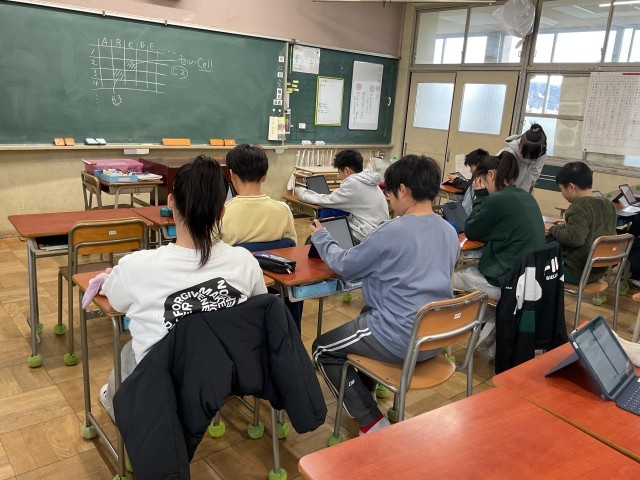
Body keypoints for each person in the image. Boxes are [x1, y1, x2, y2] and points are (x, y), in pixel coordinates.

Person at [98, 155, 268, 420]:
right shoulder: (245, 261)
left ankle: (117, 407)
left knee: (129, 352)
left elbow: (116, 301)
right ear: (222, 212)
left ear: (170, 202)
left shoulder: (136, 266)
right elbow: (259, 308)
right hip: (225, 372)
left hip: (165, 383)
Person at [311, 155, 460, 436]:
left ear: (403, 190)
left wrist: (321, 237)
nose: (389, 201)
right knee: (366, 313)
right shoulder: (448, 231)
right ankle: (366, 387)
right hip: (436, 336)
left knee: (323, 349)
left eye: (389, 194)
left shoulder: (392, 231)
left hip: (400, 337)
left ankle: (371, 422)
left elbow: (345, 265)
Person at [453, 153, 545, 352]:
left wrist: (480, 196)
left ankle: (489, 319)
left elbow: (471, 229)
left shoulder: (497, 200)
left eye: (481, 181)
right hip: (529, 281)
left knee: (448, 278)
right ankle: (493, 320)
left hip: (505, 282)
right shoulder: (526, 196)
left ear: (491, 175)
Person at [295, 149, 389, 243]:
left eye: (339, 173)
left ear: (347, 171)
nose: (339, 177)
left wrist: (300, 191)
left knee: (315, 236)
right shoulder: (369, 179)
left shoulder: (352, 183)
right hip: (380, 233)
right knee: (333, 225)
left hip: (365, 236)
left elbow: (324, 200)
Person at [547, 161, 616, 284]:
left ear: (571, 187)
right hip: (598, 271)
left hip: (577, 272)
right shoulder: (608, 204)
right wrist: (567, 224)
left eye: (561, 189)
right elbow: (593, 225)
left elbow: (574, 239)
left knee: (538, 259)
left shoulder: (578, 206)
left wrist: (553, 228)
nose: (562, 193)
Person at [221, 144, 297, 245]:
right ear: (264, 176)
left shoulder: (221, 213)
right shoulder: (283, 210)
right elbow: (292, 247)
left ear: (231, 174)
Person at [499, 123, 547, 193]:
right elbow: (499, 182)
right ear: (519, 145)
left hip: (520, 194)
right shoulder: (509, 154)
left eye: (532, 158)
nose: (528, 161)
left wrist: (523, 196)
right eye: (525, 155)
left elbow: (531, 179)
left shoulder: (541, 155)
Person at [445, 148, 488, 214]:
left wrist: (456, 180)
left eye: (471, 167)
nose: (470, 170)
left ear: (478, 164)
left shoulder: (479, 182)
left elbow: (468, 186)